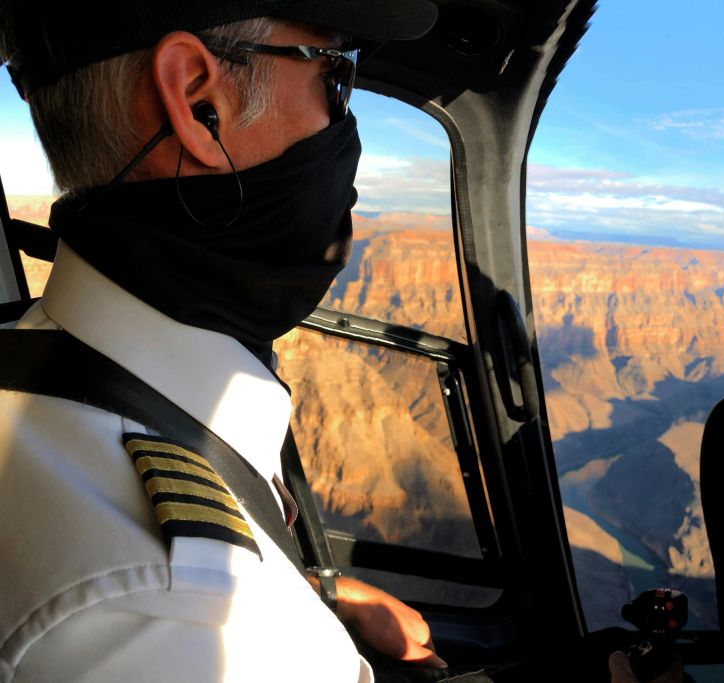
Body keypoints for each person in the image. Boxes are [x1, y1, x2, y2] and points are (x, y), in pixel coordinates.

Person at [0, 1, 443, 681]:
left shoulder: (24, 357)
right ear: (197, 97)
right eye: (334, 76)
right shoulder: (200, 627)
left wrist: (318, 597)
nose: (346, 126)